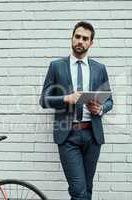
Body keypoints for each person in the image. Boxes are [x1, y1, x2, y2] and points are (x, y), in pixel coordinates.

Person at [39, 21, 113, 200]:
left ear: (91, 43)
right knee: (79, 190)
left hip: (92, 135)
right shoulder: (56, 66)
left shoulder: (99, 68)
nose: (80, 41)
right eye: (77, 36)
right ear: (72, 38)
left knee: (86, 190)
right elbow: (44, 100)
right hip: (68, 135)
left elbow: (110, 100)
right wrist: (66, 98)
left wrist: (100, 108)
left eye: (85, 38)